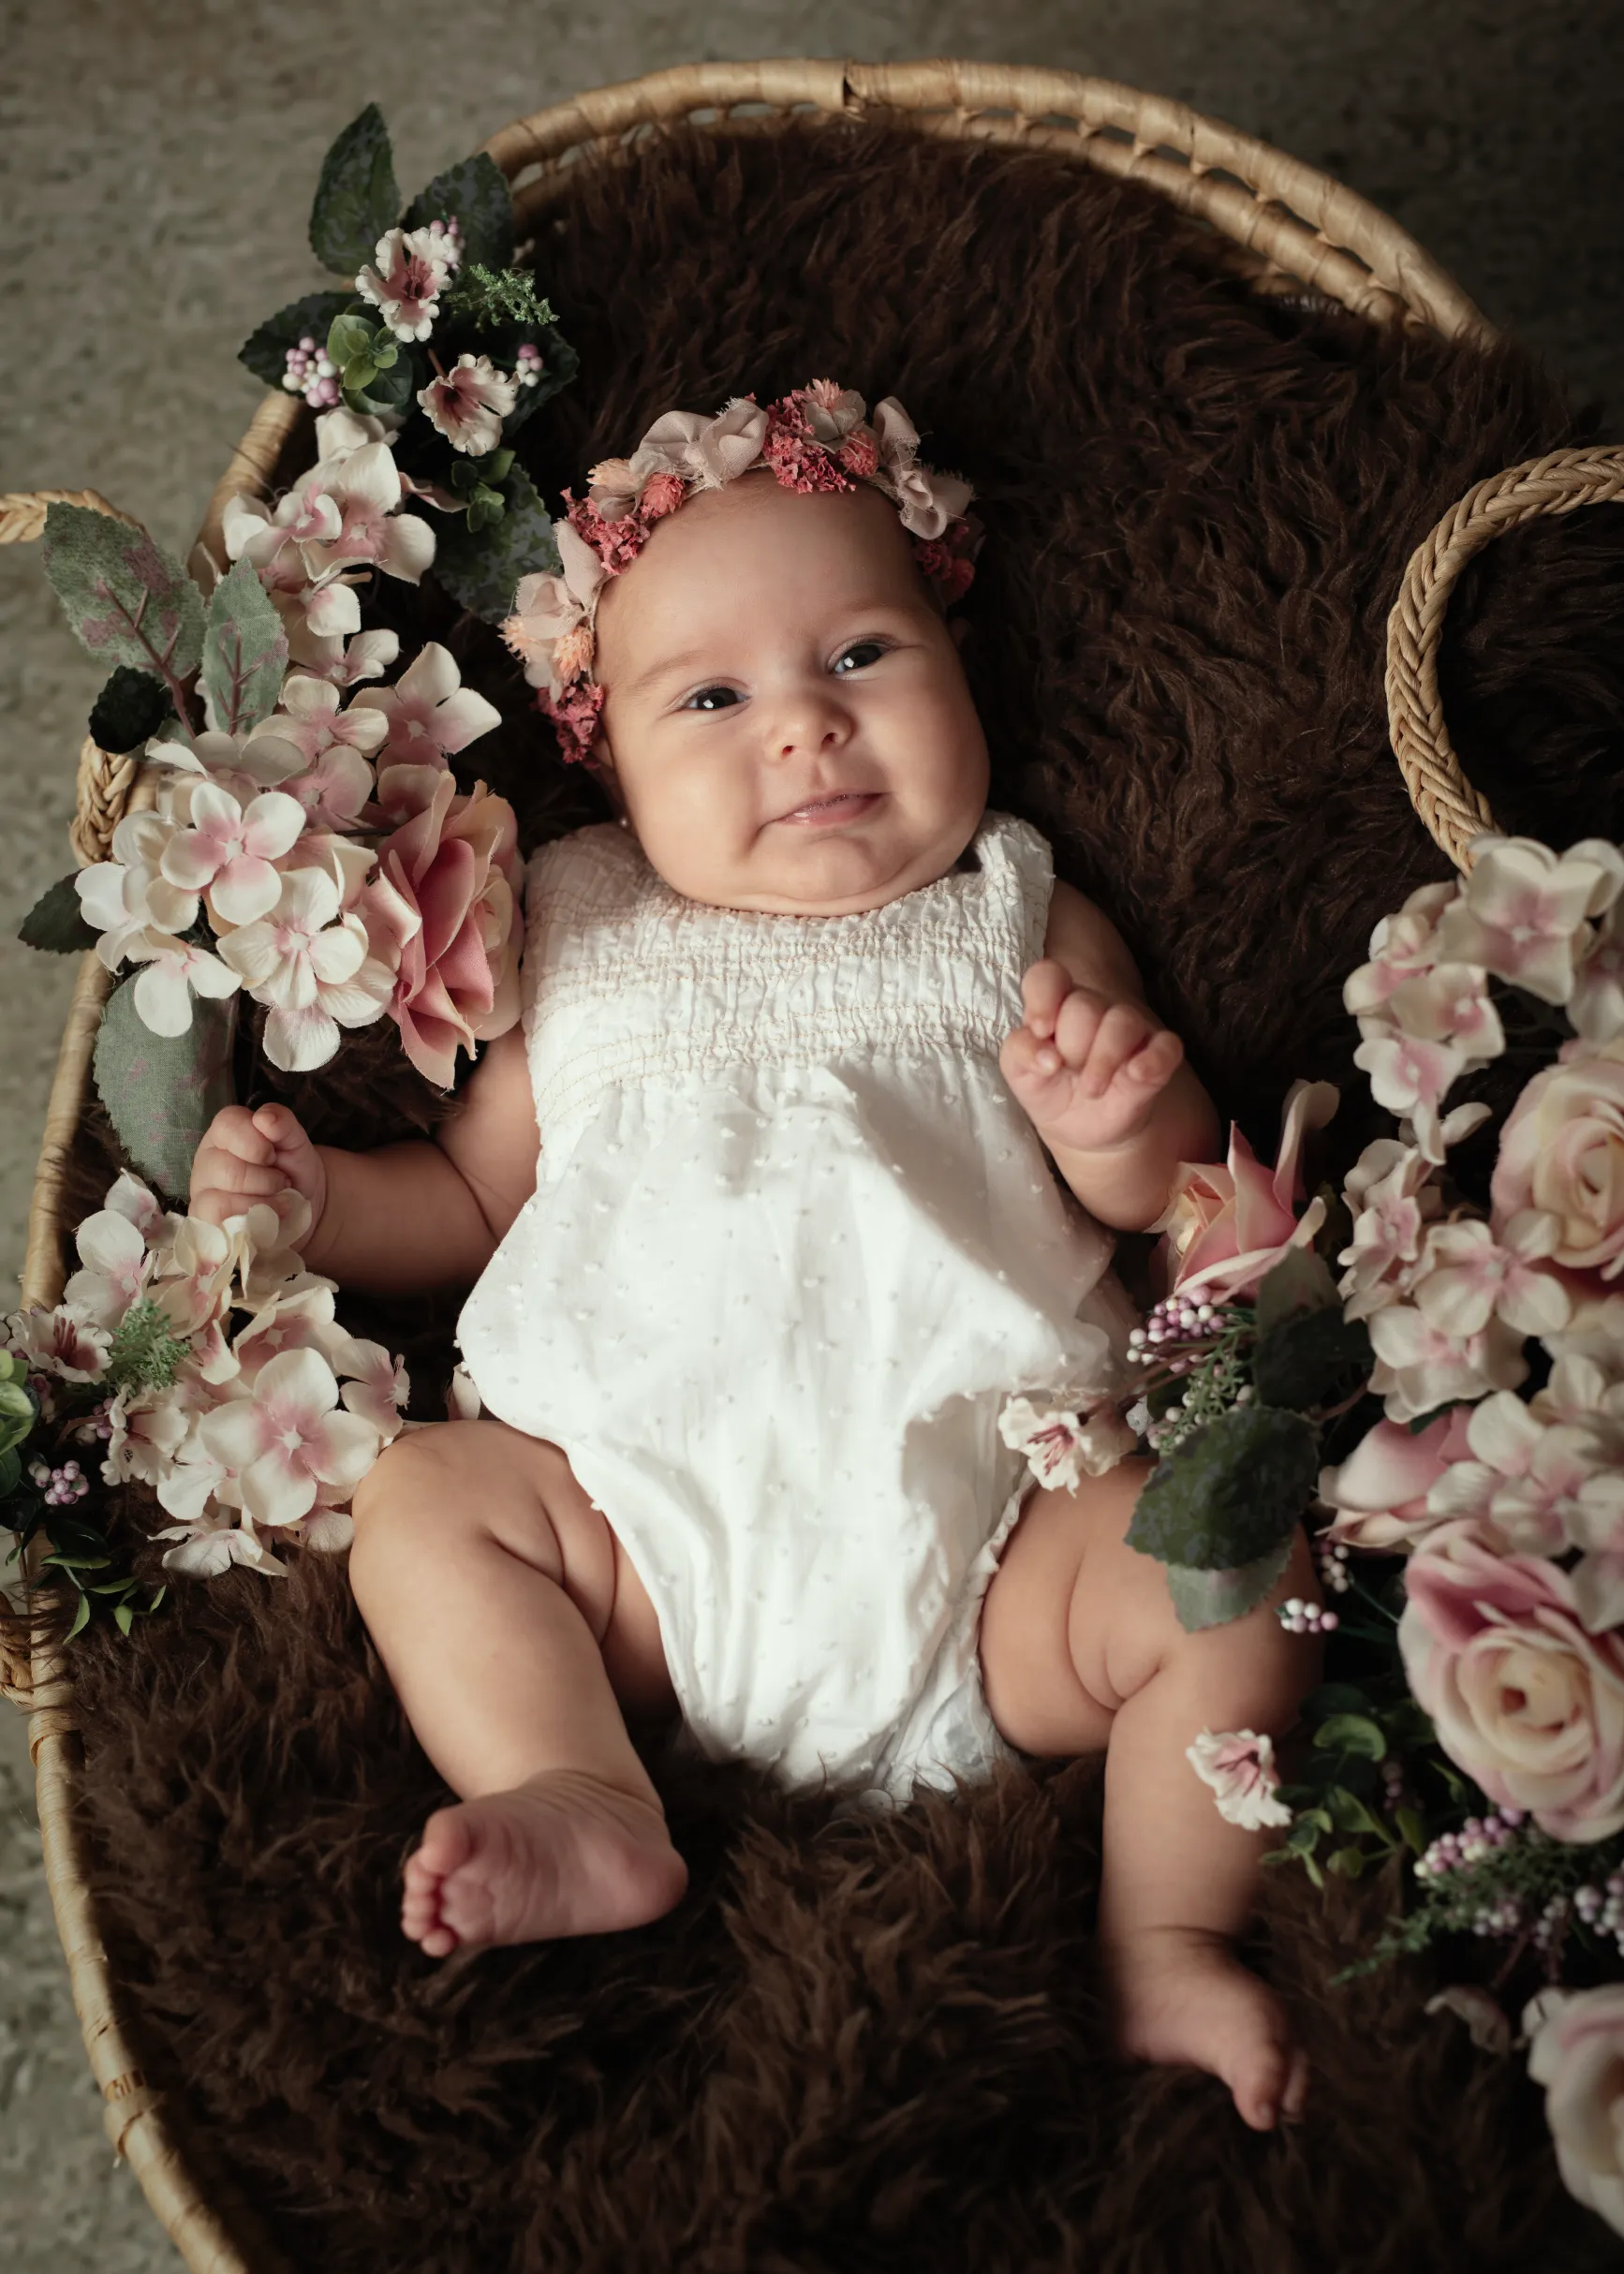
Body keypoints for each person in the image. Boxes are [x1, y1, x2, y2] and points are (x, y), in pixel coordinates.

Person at [190, 383, 1320, 2131]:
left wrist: (1115, 1119)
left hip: (997, 1550)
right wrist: (323, 1205)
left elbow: (1165, 1202)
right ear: (609, 760)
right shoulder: (576, 927)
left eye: (860, 658)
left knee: (1229, 1563)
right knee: (422, 1497)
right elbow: (481, 1205)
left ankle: (1161, 1931)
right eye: (712, 698)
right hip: (638, 1553)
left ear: (956, 670)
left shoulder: (1013, 908)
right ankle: (579, 1787)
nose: (801, 730)